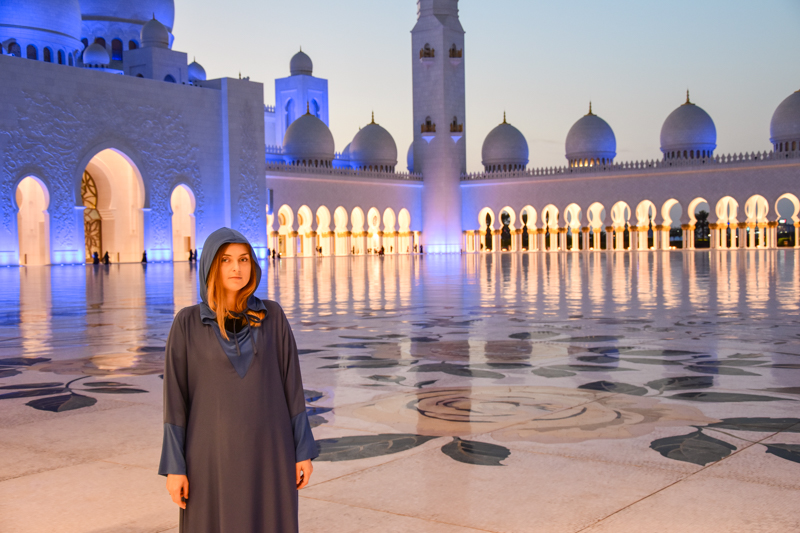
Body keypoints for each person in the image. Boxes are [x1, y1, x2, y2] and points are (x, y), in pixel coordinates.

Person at [159, 227, 317, 532]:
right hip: (210, 456)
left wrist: (302, 452)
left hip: (270, 451)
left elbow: (292, 388)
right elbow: (175, 402)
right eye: (226, 260)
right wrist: (174, 468)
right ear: (210, 265)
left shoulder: (272, 316)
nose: (236, 268)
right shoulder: (188, 323)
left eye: (244, 259)